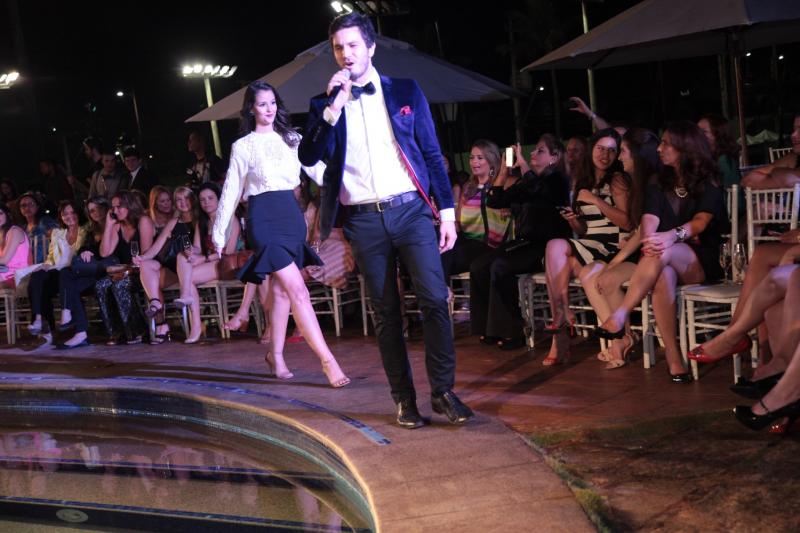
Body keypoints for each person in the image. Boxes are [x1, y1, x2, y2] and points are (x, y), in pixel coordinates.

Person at [298, 12, 471, 427]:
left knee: (434, 299)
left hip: (411, 211)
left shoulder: (405, 90)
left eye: (353, 45)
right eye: (339, 47)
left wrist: (447, 213)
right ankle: (404, 400)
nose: (346, 54)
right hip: (363, 221)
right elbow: (308, 156)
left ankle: (443, 392)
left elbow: (432, 153)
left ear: (371, 48)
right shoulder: (324, 104)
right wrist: (333, 108)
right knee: (385, 312)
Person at [213, 80, 349, 388]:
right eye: (262, 104)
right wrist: (219, 233)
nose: (269, 109)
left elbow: (319, 171)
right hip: (263, 220)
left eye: (272, 102)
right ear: (251, 108)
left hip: (292, 220)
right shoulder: (243, 146)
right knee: (298, 291)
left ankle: (275, 355)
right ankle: (328, 361)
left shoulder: (292, 139)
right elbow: (231, 190)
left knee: (281, 292)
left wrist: (350, 184)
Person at [596, 121, 728, 383]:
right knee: (663, 275)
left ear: (684, 147)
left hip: (701, 258)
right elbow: (649, 219)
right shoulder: (658, 181)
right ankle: (674, 357)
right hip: (660, 257)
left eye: (666, 143)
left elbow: (700, 223)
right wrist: (650, 238)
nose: (660, 148)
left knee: (663, 252)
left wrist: (669, 236)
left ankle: (621, 313)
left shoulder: (708, 180)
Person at [470, 135, 570, 350]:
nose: (532, 153)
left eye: (540, 151)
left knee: (500, 266)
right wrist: (503, 173)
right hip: (525, 243)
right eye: (534, 150)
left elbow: (541, 191)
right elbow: (494, 201)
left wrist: (524, 166)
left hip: (548, 246)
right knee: (479, 266)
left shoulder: (558, 180)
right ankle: (489, 328)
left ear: (554, 158)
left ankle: (513, 331)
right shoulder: (528, 182)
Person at [542, 128, 632, 366]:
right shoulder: (582, 180)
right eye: (600, 148)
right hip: (589, 243)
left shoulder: (617, 180)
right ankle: (563, 316)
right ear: (592, 149)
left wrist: (595, 200)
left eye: (611, 150)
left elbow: (627, 222)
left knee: (557, 254)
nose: (605, 155)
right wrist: (573, 220)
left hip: (611, 244)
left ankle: (561, 328)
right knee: (555, 249)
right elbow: (583, 229)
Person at [586, 129, 661, 368]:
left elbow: (643, 230)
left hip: (659, 252)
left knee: (606, 274)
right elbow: (638, 229)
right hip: (641, 250)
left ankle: (621, 340)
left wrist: (617, 259)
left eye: (623, 152)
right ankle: (624, 338)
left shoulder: (654, 184)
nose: (618, 157)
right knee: (604, 278)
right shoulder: (637, 183)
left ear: (638, 155)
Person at [171, 183, 239, 344]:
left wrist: (204, 259)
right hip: (210, 263)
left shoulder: (230, 218)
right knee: (182, 257)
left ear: (219, 199)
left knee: (187, 278)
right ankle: (189, 304)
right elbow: (197, 248)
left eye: (210, 198)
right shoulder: (202, 222)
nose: (206, 202)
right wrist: (190, 251)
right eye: (202, 200)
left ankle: (195, 323)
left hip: (228, 263)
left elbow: (229, 251)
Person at [133, 186, 196, 344]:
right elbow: (155, 249)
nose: (182, 202)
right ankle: (155, 302)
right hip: (169, 266)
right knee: (146, 265)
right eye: (178, 200)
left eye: (186, 199)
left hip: (189, 265)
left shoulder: (197, 219)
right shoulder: (172, 222)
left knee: (155, 277)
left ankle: (161, 323)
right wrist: (141, 258)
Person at [96, 190, 155, 345]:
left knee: (120, 285)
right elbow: (104, 252)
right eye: (113, 207)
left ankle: (138, 331)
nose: (115, 211)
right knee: (101, 285)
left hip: (144, 273)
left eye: (119, 207)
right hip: (125, 272)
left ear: (130, 206)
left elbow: (145, 256)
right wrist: (109, 226)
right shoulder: (118, 225)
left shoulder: (143, 221)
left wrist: (126, 271)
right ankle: (116, 331)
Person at [25, 200, 88, 341]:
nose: (69, 216)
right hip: (58, 270)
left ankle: (51, 328)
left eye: (72, 212)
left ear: (79, 213)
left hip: (76, 272)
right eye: (65, 213)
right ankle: (38, 319)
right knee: (38, 276)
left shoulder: (85, 231)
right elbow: (51, 257)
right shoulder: (57, 233)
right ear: (61, 216)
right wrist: (46, 265)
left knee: (48, 285)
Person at [57, 196, 111, 349]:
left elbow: (107, 253)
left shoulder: (113, 225)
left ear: (106, 208)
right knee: (66, 275)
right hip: (93, 271)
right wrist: (85, 251)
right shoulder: (91, 230)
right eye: (91, 211)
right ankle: (76, 327)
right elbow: (84, 248)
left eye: (98, 209)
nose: (95, 213)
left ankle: (73, 322)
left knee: (69, 282)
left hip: (108, 271)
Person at [17, 192, 58, 264]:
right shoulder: (22, 229)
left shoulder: (45, 222)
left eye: (31, 204)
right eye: (23, 205)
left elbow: (59, 240)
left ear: (37, 206)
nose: (27, 208)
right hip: (28, 266)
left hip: (45, 266)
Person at [0, 204, 30, 289]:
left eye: (0, 213)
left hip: (16, 275)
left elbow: (4, 260)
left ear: (7, 215)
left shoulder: (14, 231)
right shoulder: (2, 233)